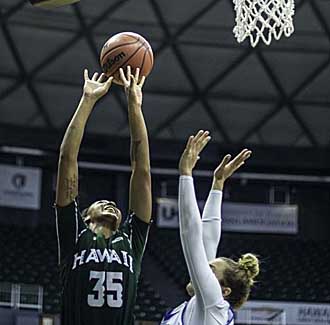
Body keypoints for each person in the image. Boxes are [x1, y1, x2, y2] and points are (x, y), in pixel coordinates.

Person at [54, 66, 152, 325]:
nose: (111, 203)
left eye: (112, 204)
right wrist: (87, 100)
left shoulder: (132, 238)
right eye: (101, 203)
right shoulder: (75, 234)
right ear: (85, 216)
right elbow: (67, 159)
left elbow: (141, 171)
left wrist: (135, 107)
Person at [161, 130, 259, 325]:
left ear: (224, 291)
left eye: (210, 270)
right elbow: (208, 237)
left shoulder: (214, 307)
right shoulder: (202, 306)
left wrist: (186, 175)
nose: (203, 269)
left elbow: (192, 234)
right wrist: (218, 184)